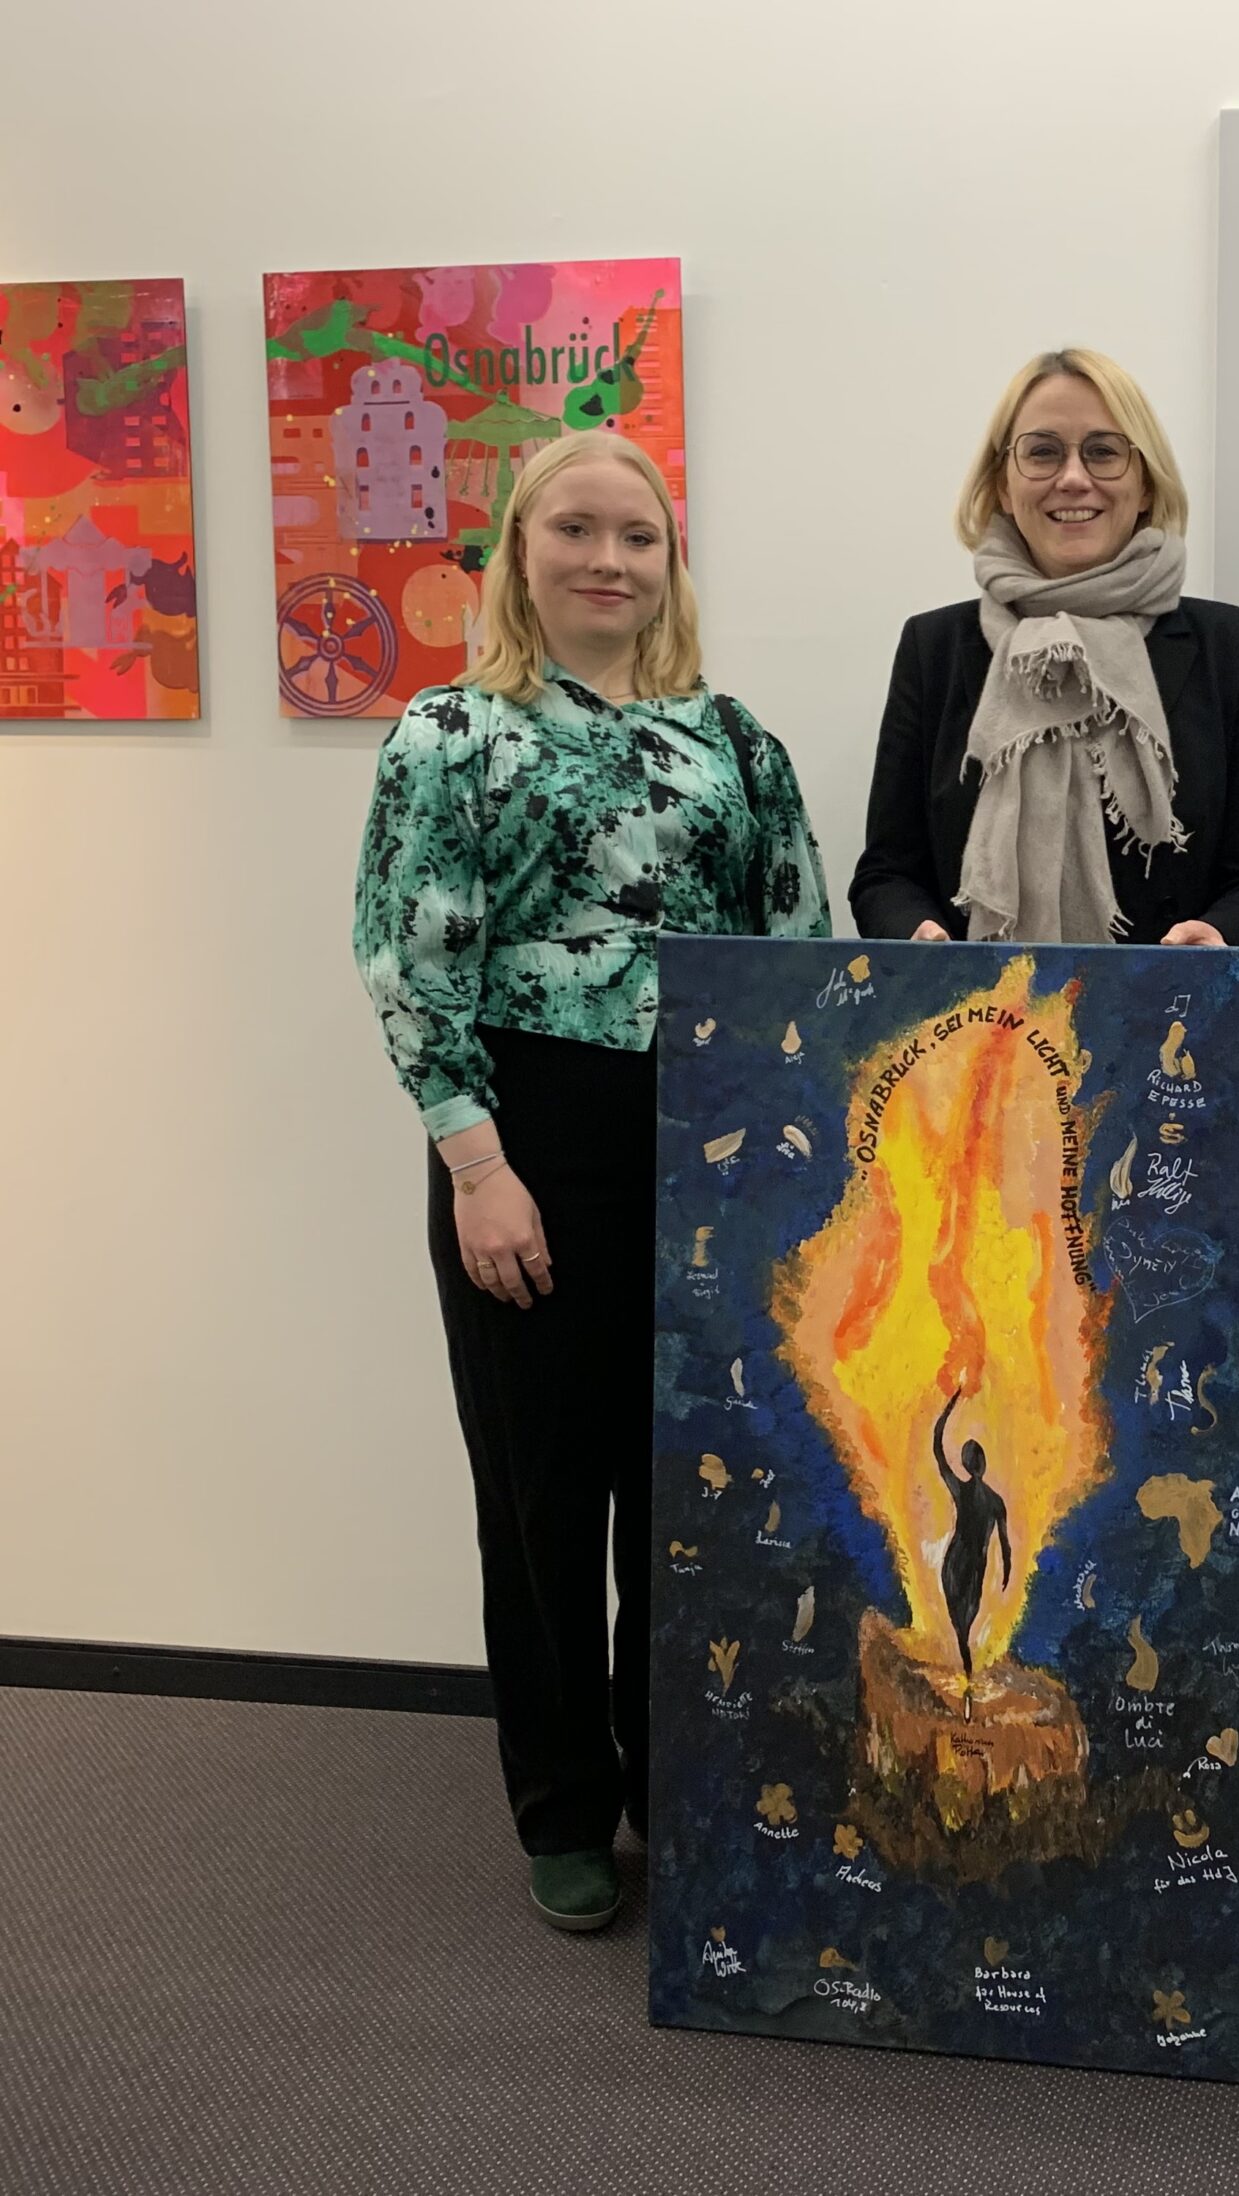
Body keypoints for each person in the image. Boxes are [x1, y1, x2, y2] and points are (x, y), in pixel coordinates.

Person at [351, 432, 830, 1933]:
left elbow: (796, 944)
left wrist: (795, 1160)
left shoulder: (736, 740)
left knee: (693, 1487)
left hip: (713, 1141)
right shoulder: (449, 733)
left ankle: (677, 1782)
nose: (607, 560)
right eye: (575, 529)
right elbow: (409, 959)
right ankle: (562, 1804)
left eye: (637, 535)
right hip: (528, 1141)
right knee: (545, 1491)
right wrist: (476, 1168)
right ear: (519, 546)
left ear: (671, 561)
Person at [848, 347, 1239, 947]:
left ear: (1145, 484)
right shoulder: (933, 649)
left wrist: (1220, 935)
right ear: (1002, 486)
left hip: (1177, 1000)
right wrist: (918, 938)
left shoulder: (1238, 650)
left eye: (1104, 452)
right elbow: (886, 874)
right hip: (976, 1002)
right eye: (1042, 452)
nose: (1073, 478)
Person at [932, 1389, 1012, 1682]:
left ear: (966, 1464)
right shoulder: (995, 1502)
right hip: (974, 1564)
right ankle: (966, 1670)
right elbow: (1005, 1545)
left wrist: (950, 1405)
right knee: (964, 1619)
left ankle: (966, 1669)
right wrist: (1007, 1570)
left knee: (960, 1619)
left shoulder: (962, 1490)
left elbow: (937, 1447)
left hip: (958, 1561)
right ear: (982, 1464)